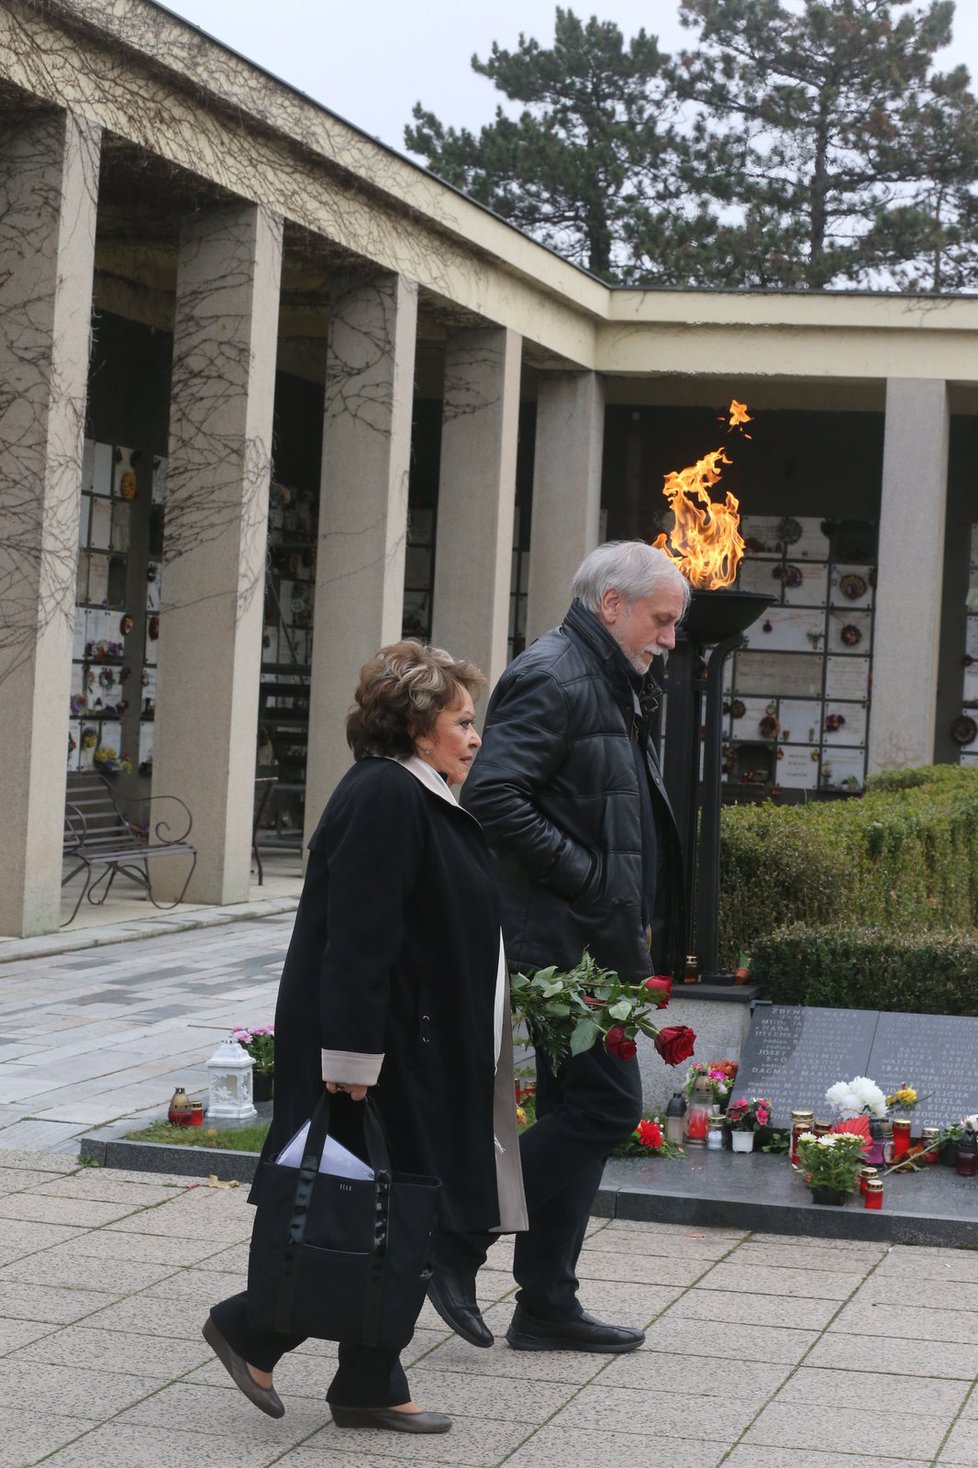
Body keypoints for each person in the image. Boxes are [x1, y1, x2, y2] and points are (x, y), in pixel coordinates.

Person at [203, 641, 526, 1434]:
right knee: (385, 1209)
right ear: (420, 730)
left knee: (395, 1210)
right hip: (388, 1056)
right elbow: (358, 937)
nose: (474, 735)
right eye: (461, 721)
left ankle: (367, 1379)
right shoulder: (388, 796)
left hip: (414, 1048)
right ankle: (255, 1328)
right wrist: (350, 1060)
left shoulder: (414, 792)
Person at [427, 541, 689, 1354]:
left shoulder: (608, 676)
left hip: (591, 935)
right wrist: (592, 882)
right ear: (611, 605)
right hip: (561, 939)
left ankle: (545, 1302)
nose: (670, 638)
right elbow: (496, 798)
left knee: (584, 1105)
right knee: (606, 1105)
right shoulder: (557, 673)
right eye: (662, 620)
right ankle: (457, 1231)